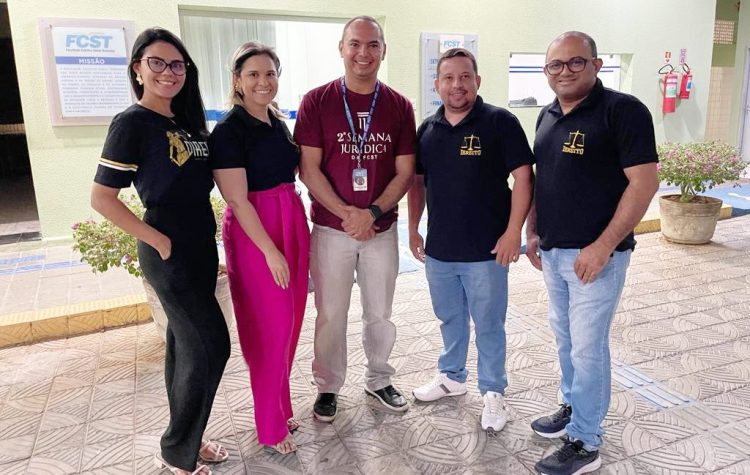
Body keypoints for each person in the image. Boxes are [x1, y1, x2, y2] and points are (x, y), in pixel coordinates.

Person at [90, 28, 230, 475]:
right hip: (168, 250)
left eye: (177, 65)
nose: (169, 72)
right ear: (138, 68)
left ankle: (188, 438)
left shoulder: (186, 123)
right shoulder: (132, 123)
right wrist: (157, 240)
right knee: (211, 346)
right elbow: (102, 197)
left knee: (184, 347)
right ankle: (176, 450)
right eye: (157, 63)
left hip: (199, 246)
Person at [525, 32, 659, 475]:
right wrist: (532, 229)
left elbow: (644, 184)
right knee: (566, 341)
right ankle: (573, 406)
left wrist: (602, 247)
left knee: (587, 349)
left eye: (575, 63)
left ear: (597, 64)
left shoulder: (623, 111)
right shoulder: (546, 116)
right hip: (554, 252)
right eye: (555, 65)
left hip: (596, 257)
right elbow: (545, 179)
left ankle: (585, 441)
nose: (564, 71)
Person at [294, 15, 416, 421]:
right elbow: (308, 169)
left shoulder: (399, 106)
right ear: (342, 48)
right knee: (330, 313)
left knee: (380, 311)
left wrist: (373, 212)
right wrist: (347, 213)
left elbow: (404, 172)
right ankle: (328, 386)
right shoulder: (317, 101)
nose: (364, 53)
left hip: (381, 230)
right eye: (355, 44)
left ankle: (379, 378)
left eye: (373, 45)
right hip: (331, 230)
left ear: (383, 50)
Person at [407, 48, 534, 432]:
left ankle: (493, 393)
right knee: (450, 318)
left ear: (477, 81)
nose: (457, 85)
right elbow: (417, 183)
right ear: (437, 85)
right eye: (448, 78)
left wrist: (514, 232)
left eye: (465, 77)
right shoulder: (428, 129)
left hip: (487, 252)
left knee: (489, 324)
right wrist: (413, 228)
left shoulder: (499, 122)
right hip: (441, 251)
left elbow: (524, 178)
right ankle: (452, 377)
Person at [209, 42, 309, 455]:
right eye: (253, 74)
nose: (263, 82)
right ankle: (269, 428)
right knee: (269, 329)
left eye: (270, 73)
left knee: (289, 324)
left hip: (291, 220)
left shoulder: (275, 121)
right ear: (237, 80)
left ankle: (280, 407)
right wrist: (270, 251)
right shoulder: (229, 130)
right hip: (257, 233)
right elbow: (237, 200)